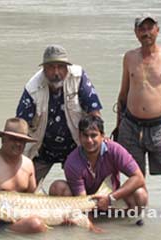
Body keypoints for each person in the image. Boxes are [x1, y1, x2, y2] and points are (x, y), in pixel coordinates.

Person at [116, 13, 161, 211]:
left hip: (158, 128)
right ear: (136, 33)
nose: (146, 33)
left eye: (150, 28)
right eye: (142, 29)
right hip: (130, 126)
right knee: (136, 180)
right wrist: (118, 126)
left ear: (157, 30)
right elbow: (123, 94)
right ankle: (139, 223)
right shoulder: (129, 57)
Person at [16, 44, 102, 184]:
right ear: (43, 69)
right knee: (22, 186)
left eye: (60, 67)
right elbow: (21, 125)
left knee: (91, 186)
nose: (56, 72)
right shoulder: (32, 88)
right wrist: (13, 157)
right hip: (42, 148)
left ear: (67, 67)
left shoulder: (78, 77)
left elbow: (95, 114)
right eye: (51, 67)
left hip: (76, 145)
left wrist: (99, 145)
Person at [49, 115, 148, 213]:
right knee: (57, 187)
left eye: (93, 135)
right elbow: (82, 200)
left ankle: (127, 223)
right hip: (87, 202)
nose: (89, 140)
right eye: (85, 135)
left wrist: (111, 198)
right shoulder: (72, 162)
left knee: (140, 194)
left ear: (102, 135)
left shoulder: (115, 150)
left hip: (112, 199)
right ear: (79, 136)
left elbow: (139, 178)